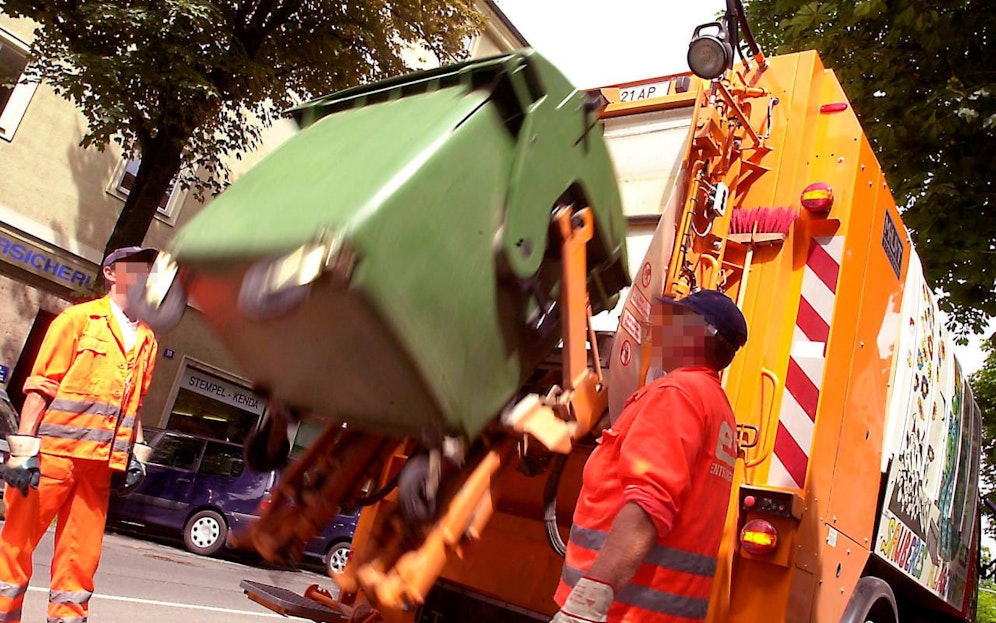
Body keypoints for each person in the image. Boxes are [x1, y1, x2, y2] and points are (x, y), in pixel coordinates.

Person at [552, 289, 748, 623]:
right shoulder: (717, 406)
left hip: (618, 613)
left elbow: (648, 506)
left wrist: (588, 602)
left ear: (699, 335)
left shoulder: (677, 394)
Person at [0, 246, 160, 623]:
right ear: (110, 273)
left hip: (98, 469)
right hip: (53, 459)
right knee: (16, 547)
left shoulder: (148, 340)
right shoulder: (78, 320)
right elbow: (40, 387)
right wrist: (23, 451)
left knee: (79, 563)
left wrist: (137, 452)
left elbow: (133, 405)